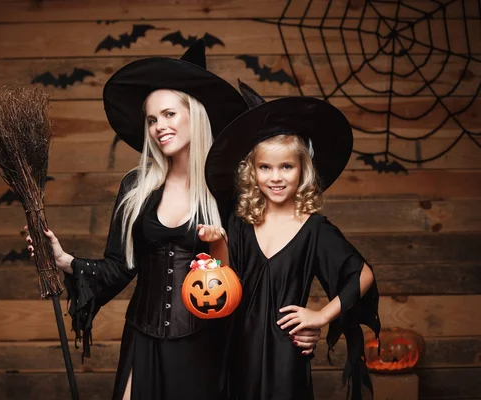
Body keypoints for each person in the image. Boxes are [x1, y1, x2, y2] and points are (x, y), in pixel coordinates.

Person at [25, 43, 322, 400]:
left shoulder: (229, 191)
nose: (158, 127)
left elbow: (259, 271)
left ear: (194, 115)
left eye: (168, 115)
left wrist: (307, 324)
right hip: (144, 336)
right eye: (151, 119)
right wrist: (64, 260)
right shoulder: (136, 187)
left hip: (208, 347)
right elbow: (121, 267)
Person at [202, 81, 381, 400]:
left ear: (303, 170)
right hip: (238, 346)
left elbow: (362, 274)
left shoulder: (315, 230)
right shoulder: (241, 223)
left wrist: (321, 316)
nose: (276, 177)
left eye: (286, 166)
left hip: (287, 349)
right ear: (252, 172)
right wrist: (216, 242)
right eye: (265, 167)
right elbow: (224, 279)